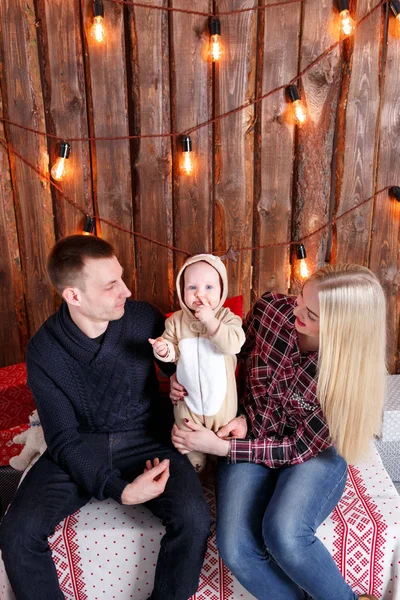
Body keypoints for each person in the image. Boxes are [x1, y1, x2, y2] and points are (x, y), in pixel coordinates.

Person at [0, 234, 212, 600]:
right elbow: (63, 438)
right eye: (111, 284)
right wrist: (121, 490)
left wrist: (179, 373)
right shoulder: (44, 351)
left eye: (122, 278)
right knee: (16, 533)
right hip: (82, 443)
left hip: (148, 436)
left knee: (194, 518)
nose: (126, 291)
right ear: (74, 296)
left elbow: (184, 357)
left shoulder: (142, 318)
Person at [170, 264, 386, 600]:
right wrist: (182, 377)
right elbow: (228, 360)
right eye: (301, 296)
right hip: (249, 435)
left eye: (311, 314)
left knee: (285, 534)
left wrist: (222, 448)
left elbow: (297, 448)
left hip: (308, 454)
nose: (295, 310)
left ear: (342, 330)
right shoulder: (272, 310)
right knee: (236, 547)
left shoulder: (346, 378)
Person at [149, 254, 245, 472]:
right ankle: (196, 468)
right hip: (187, 406)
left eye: (209, 287)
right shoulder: (175, 321)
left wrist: (210, 321)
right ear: (182, 292)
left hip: (222, 410)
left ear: (222, 290)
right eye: (192, 287)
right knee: (188, 444)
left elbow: (233, 345)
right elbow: (172, 351)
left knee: (224, 445)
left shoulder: (228, 318)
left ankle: (220, 465)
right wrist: (164, 350)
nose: (200, 294)